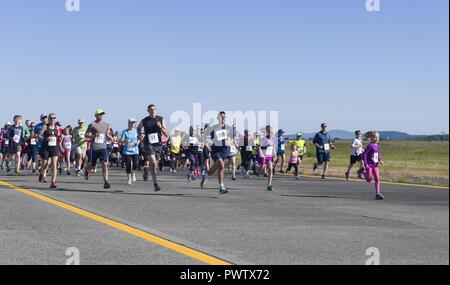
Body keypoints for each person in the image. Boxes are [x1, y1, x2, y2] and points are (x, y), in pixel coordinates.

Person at [137, 104, 169, 192]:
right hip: (148, 143)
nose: (153, 111)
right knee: (153, 162)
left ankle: (146, 170)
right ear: (148, 111)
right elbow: (138, 128)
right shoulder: (144, 120)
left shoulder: (161, 119)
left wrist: (161, 127)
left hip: (158, 144)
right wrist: (139, 135)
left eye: (154, 109)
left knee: (154, 165)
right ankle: (155, 184)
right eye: (151, 110)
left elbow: (166, 134)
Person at [201, 112, 233, 194]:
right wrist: (207, 145)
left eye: (224, 117)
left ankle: (206, 175)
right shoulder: (213, 128)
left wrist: (229, 142)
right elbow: (204, 136)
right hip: (215, 150)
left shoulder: (228, 128)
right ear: (218, 118)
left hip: (224, 151)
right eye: (221, 117)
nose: (223, 118)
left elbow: (232, 138)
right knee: (221, 165)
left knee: (215, 169)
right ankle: (221, 187)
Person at [84, 109, 115, 189]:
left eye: (102, 114)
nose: (101, 116)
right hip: (94, 148)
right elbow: (86, 135)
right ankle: (87, 170)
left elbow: (107, 134)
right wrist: (93, 136)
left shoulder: (106, 124)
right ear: (96, 115)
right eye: (99, 114)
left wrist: (110, 138)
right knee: (92, 166)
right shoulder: (92, 124)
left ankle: (106, 182)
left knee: (105, 164)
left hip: (103, 148)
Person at [37, 113, 62, 188]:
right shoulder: (45, 126)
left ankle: (53, 182)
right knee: (45, 165)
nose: (52, 119)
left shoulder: (57, 128)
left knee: (54, 164)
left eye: (54, 118)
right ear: (48, 119)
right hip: (45, 148)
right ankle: (42, 173)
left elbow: (59, 136)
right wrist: (45, 138)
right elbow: (38, 136)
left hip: (54, 147)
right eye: (51, 118)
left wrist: (60, 137)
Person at [363, 132, 385, 200]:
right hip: (369, 165)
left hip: (375, 165)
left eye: (377, 137)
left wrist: (380, 160)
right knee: (369, 179)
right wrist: (366, 164)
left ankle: (377, 194)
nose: (376, 139)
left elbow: (377, 155)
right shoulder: (370, 146)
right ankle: (362, 172)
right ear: (371, 138)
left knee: (377, 179)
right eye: (375, 137)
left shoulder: (378, 146)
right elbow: (364, 155)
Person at [121, 118, 140, 185]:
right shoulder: (125, 132)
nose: (133, 124)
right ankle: (129, 178)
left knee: (136, 164)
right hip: (127, 151)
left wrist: (137, 143)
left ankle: (133, 173)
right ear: (128, 123)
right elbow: (121, 140)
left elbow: (139, 139)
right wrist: (125, 141)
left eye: (134, 123)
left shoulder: (136, 131)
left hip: (135, 150)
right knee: (128, 165)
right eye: (131, 123)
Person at [257, 125, 277, 191]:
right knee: (262, 171)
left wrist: (274, 155)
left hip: (269, 156)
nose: (270, 132)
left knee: (270, 169)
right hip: (263, 155)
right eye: (269, 131)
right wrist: (264, 150)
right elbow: (259, 147)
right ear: (267, 131)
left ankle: (269, 185)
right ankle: (258, 170)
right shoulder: (263, 138)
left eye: (271, 131)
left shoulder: (273, 139)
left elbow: (273, 147)